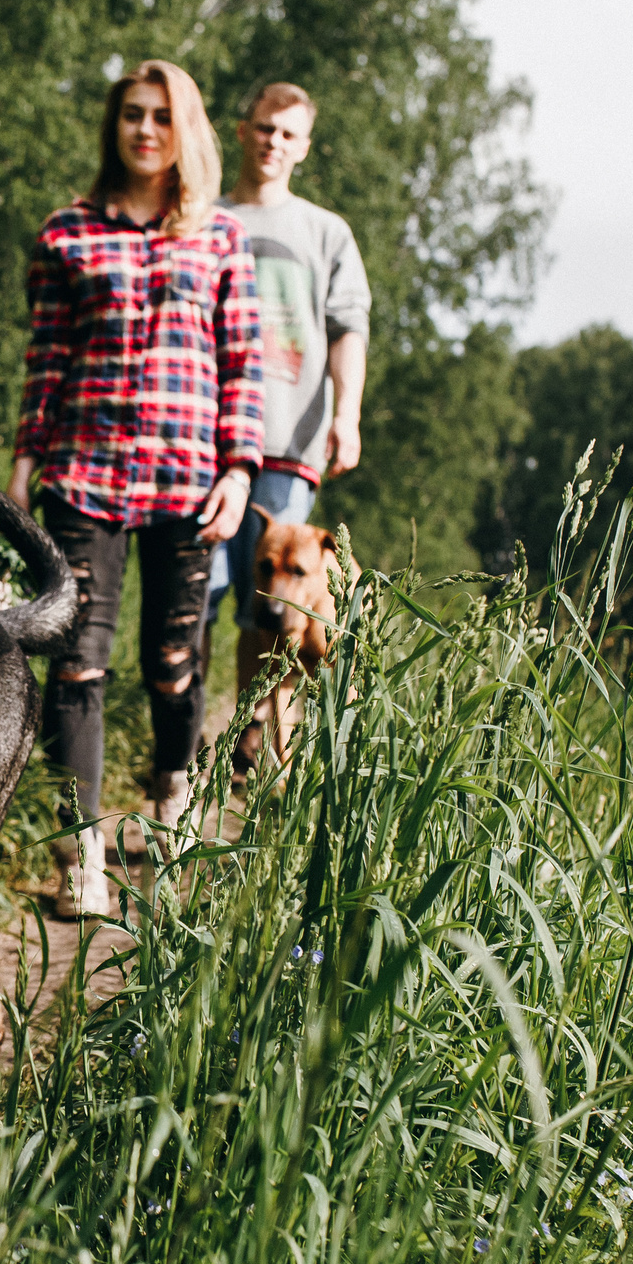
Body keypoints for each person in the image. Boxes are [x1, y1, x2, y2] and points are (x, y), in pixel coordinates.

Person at [11, 60, 264, 918]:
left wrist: (239, 467)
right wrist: (23, 461)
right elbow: (45, 360)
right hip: (84, 476)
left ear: (185, 130)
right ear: (113, 126)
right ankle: (79, 859)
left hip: (190, 483)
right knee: (77, 661)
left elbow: (244, 366)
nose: (145, 129)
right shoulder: (69, 233)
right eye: (131, 114)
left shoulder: (222, 239)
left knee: (171, 661)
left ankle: (171, 799)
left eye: (161, 116)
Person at [207, 80, 370, 778]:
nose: (274, 142)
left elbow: (348, 327)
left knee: (270, 603)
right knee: (201, 595)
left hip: (287, 444)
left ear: (304, 147)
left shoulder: (325, 231)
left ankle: (251, 734)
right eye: (265, 127)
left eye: (289, 134)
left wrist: (348, 414)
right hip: (203, 438)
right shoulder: (207, 215)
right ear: (243, 130)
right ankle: (176, 752)